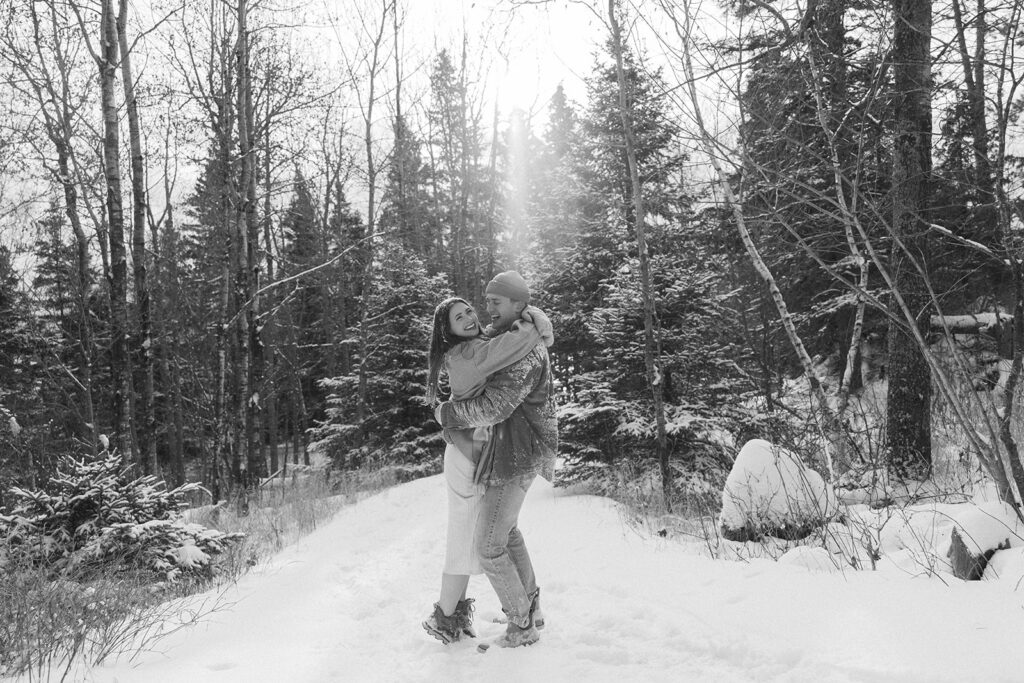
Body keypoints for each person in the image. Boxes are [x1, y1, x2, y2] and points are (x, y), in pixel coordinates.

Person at [434, 271, 558, 649]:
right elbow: (496, 347)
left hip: (514, 454)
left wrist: (446, 414)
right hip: (505, 452)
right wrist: (537, 321)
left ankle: (522, 627)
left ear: (518, 305)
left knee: (489, 547)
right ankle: (530, 610)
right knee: (506, 534)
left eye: (494, 303)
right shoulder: (510, 338)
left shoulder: (524, 352)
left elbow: (495, 406)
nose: (485, 311)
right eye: (482, 302)